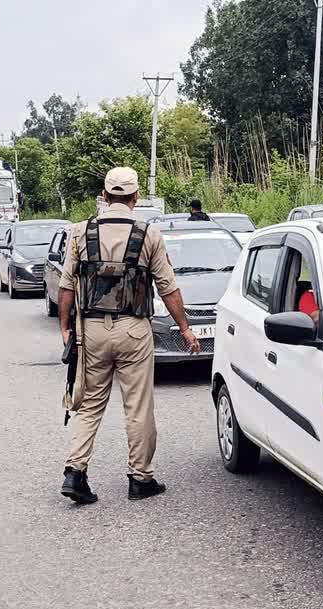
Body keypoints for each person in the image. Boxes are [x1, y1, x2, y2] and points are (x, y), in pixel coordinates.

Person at [57, 167, 200, 504]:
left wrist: (66, 328)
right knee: (137, 405)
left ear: (104, 197)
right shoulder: (148, 234)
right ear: (135, 198)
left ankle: (75, 473)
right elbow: (168, 288)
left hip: (91, 329)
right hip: (134, 330)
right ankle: (140, 478)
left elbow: (65, 286)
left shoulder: (80, 233)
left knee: (89, 404)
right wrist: (184, 328)